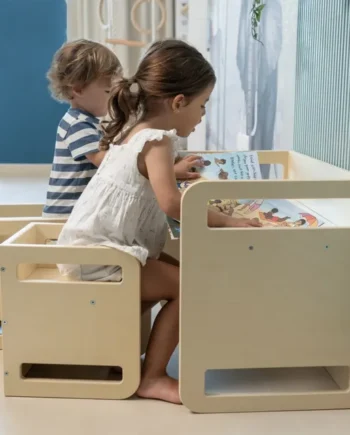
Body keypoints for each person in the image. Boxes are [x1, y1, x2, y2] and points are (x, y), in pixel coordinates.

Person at [57, 39, 262, 404]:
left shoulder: (137, 131)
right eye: (202, 105)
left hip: (97, 247)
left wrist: (181, 176)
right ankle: (152, 377)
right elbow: (170, 202)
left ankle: (144, 355)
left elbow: (159, 184)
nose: (202, 116)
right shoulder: (157, 141)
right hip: (102, 257)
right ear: (178, 102)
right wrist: (226, 222)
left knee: (185, 274)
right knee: (188, 285)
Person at [43, 39, 201, 218]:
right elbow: (111, 165)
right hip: (68, 215)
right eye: (107, 91)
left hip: (79, 213)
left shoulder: (87, 121)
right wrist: (166, 172)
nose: (112, 97)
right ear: (78, 89)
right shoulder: (76, 124)